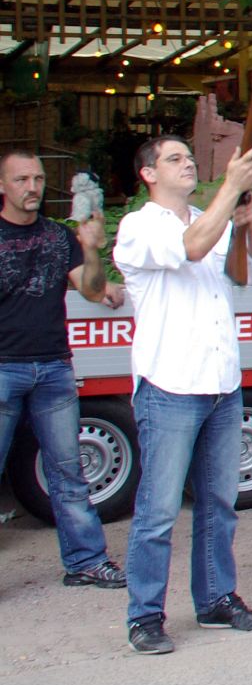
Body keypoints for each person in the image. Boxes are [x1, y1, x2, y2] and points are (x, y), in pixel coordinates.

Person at [114, 136, 252, 654]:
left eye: (189, 157)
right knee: (158, 511)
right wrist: (231, 190)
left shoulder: (212, 216)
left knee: (219, 504)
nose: (187, 164)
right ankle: (144, 615)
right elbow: (191, 248)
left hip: (221, 381)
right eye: (174, 159)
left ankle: (215, 598)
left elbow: (242, 275)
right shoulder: (139, 226)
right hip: (170, 383)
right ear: (147, 174)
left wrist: (246, 224)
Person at [0, 149, 127, 591]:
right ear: (3, 186)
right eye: (20, 180)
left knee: (69, 472)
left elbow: (91, 291)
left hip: (54, 366)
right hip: (3, 369)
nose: (31, 187)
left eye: (36, 179)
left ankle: (86, 561)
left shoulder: (59, 236)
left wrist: (92, 251)